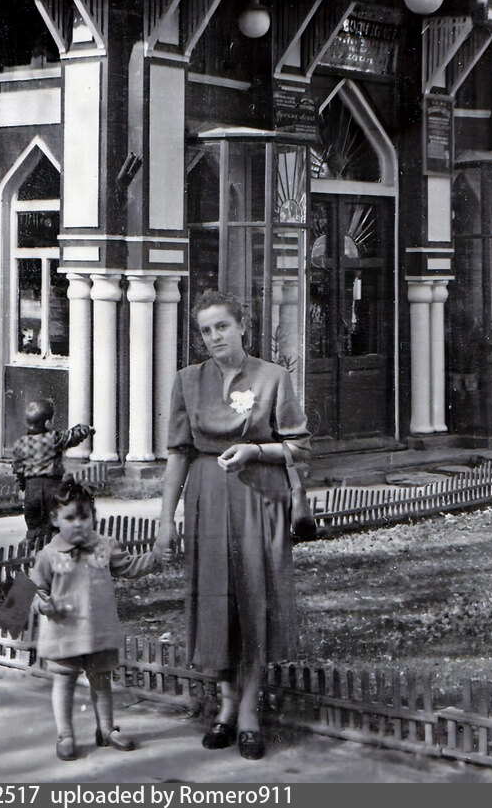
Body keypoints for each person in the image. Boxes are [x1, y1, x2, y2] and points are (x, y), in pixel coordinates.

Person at [153, 289, 310, 761]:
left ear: (242, 325)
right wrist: (166, 519)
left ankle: (249, 711)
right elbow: (178, 452)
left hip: (259, 495)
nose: (214, 336)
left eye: (222, 326)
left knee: (255, 596)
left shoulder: (273, 377)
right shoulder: (187, 380)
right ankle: (224, 705)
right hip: (206, 494)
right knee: (214, 597)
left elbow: (299, 446)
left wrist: (255, 450)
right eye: (206, 330)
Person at [29, 479, 156, 761]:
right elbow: (36, 590)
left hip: (97, 629)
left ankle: (107, 729)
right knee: (64, 682)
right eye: (69, 518)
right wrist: (43, 604)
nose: (78, 524)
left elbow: (130, 566)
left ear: (93, 516)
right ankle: (65, 734)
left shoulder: (104, 547)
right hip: (64, 632)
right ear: (55, 519)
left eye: (84, 517)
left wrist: (155, 557)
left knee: (101, 680)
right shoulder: (48, 555)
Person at [11, 398, 94, 550]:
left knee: (34, 520)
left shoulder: (21, 444)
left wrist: (22, 486)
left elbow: (18, 468)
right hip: (52, 487)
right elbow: (71, 436)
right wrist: (85, 429)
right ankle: (55, 548)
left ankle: (31, 545)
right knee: (54, 520)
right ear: (48, 423)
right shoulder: (54, 438)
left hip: (32, 488)